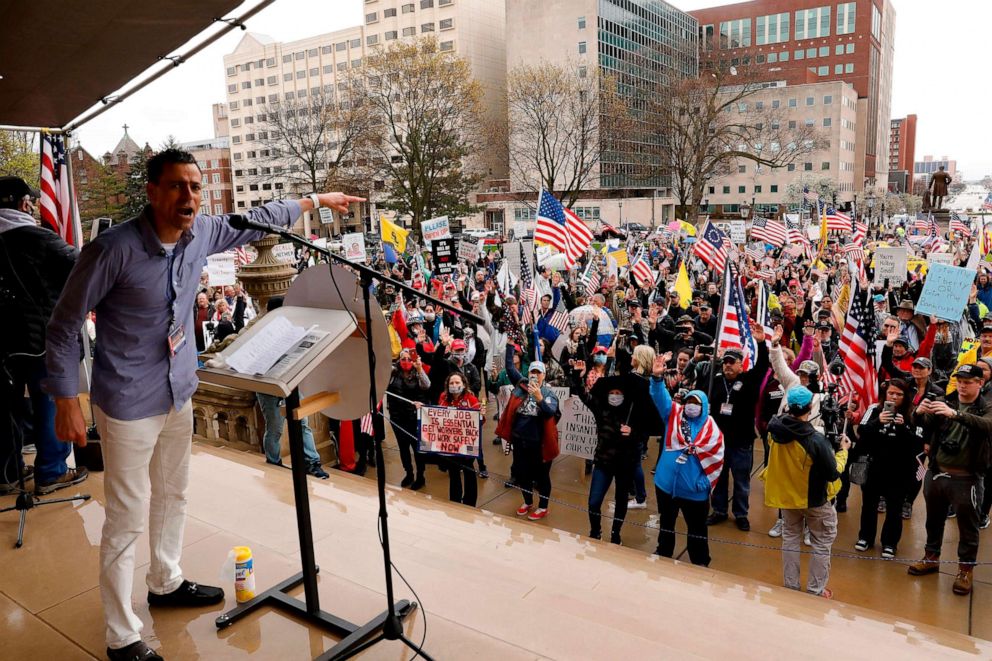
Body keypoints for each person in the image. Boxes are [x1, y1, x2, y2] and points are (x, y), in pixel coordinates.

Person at [44, 148, 364, 661]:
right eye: (176, 186)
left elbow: (258, 218)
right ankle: (122, 634)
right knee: (126, 515)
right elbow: (61, 327)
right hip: (127, 401)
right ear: (152, 192)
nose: (189, 196)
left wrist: (314, 200)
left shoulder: (205, 233)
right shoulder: (111, 251)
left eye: (195, 186)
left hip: (178, 390)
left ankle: (166, 581)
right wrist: (65, 398)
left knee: (175, 495)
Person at [0, 175, 88, 495]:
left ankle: (7, 473)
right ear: (23, 203)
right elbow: (83, 267)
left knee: (6, 407)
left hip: (3, 346)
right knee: (50, 401)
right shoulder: (36, 237)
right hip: (40, 341)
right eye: (30, 201)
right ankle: (51, 471)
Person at [909, 364, 992, 596]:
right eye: (960, 381)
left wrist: (955, 414)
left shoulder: (986, 406)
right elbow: (921, 425)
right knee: (933, 520)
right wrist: (919, 411)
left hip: (966, 478)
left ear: (980, 383)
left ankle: (965, 570)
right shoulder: (947, 399)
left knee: (968, 527)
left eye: (968, 382)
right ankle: (931, 557)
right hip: (937, 471)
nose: (962, 386)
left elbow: (987, 425)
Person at [764, 386, 850, 599]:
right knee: (822, 543)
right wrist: (843, 452)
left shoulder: (774, 431)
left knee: (790, 538)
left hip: (787, 497)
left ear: (787, 406)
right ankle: (815, 591)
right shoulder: (814, 440)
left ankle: (791, 586)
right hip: (815, 500)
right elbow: (832, 473)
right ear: (810, 408)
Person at [648, 354, 724, 565]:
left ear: (703, 406)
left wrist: (701, 484)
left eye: (696, 403)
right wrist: (656, 378)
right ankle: (663, 553)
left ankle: (699, 563)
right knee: (666, 524)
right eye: (689, 401)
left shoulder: (712, 429)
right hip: (666, 488)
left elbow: (717, 461)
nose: (691, 406)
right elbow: (660, 397)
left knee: (697, 531)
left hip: (694, 494)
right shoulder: (674, 414)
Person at [255, 297, 328, 479]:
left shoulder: (293, 329)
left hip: (291, 385)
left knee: (303, 424)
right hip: (269, 387)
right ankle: (274, 462)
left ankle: (312, 462)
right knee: (275, 428)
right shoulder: (260, 332)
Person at [707, 323, 769, 532]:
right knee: (720, 478)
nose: (727, 366)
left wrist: (761, 344)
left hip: (741, 442)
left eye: (732, 362)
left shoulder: (749, 380)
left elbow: (762, 366)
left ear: (741, 365)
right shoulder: (715, 381)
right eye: (725, 362)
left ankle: (741, 514)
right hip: (719, 442)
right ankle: (719, 510)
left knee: (742, 481)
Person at [852, 379, 922, 558]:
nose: (895, 397)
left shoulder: (913, 414)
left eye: (899, 394)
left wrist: (903, 427)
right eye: (891, 393)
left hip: (899, 470)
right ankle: (865, 537)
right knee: (869, 505)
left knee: (894, 508)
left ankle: (890, 543)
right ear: (885, 394)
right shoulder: (874, 409)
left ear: (905, 396)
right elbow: (861, 432)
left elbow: (918, 444)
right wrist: (878, 422)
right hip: (873, 467)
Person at [496, 343, 560, 521]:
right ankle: (527, 502)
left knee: (541, 477)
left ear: (544, 376)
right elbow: (509, 367)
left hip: (539, 444)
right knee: (522, 474)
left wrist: (539, 399)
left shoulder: (548, 393)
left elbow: (550, 413)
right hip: (520, 441)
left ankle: (543, 506)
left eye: (539, 372)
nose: (535, 375)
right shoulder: (521, 385)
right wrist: (510, 344)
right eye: (532, 371)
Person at [387, 348, 431, 490]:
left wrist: (419, 369)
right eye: (403, 358)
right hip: (397, 418)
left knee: (417, 448)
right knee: (403, 448)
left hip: (413, 418)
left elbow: (427, 385)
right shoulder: (393, 372)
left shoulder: (416, 372)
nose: (406, 361)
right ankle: (409, 473)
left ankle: (420, 476)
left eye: (409, 359)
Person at [438, 372, 481, 506]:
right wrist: (422, 408)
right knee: (453, 473)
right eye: (452, 383)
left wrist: (482, 416)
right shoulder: (443, 397)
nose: (454, 385)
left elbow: (479, 422)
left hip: (467, 444)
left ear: (463, 384)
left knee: (469, 471)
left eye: (457, 383)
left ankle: (470, 502)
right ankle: (455, 501)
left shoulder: (471, 399)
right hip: (450, 444)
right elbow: (436, 416)